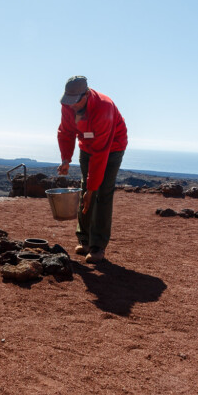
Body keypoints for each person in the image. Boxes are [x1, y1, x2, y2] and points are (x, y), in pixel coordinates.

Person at [57, 76, 128, 263]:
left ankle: (98, 246)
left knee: (101, 191)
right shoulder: (68, 105)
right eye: (69, 101)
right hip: (87, 146)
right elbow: (66, 131)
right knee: (85, 188)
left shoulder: (104, 107)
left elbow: (101, 154)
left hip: (111, 148)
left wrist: (92, 187)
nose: (72, 106)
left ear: (87, 94)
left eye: (76, 101)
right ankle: (84, 239)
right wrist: (65, 158)